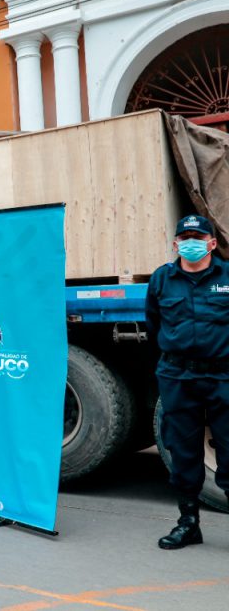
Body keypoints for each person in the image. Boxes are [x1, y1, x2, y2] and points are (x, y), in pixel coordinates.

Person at [145, 214, 229, 550]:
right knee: (183, 452)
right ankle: (188, 524)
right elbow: (154, 323)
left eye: (199, 236)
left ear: (212, 242)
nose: (191, 242)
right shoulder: (162, 280)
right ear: (176, 243)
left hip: (223, 375)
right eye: (185, 237)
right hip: (178, 376)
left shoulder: (227, 276)